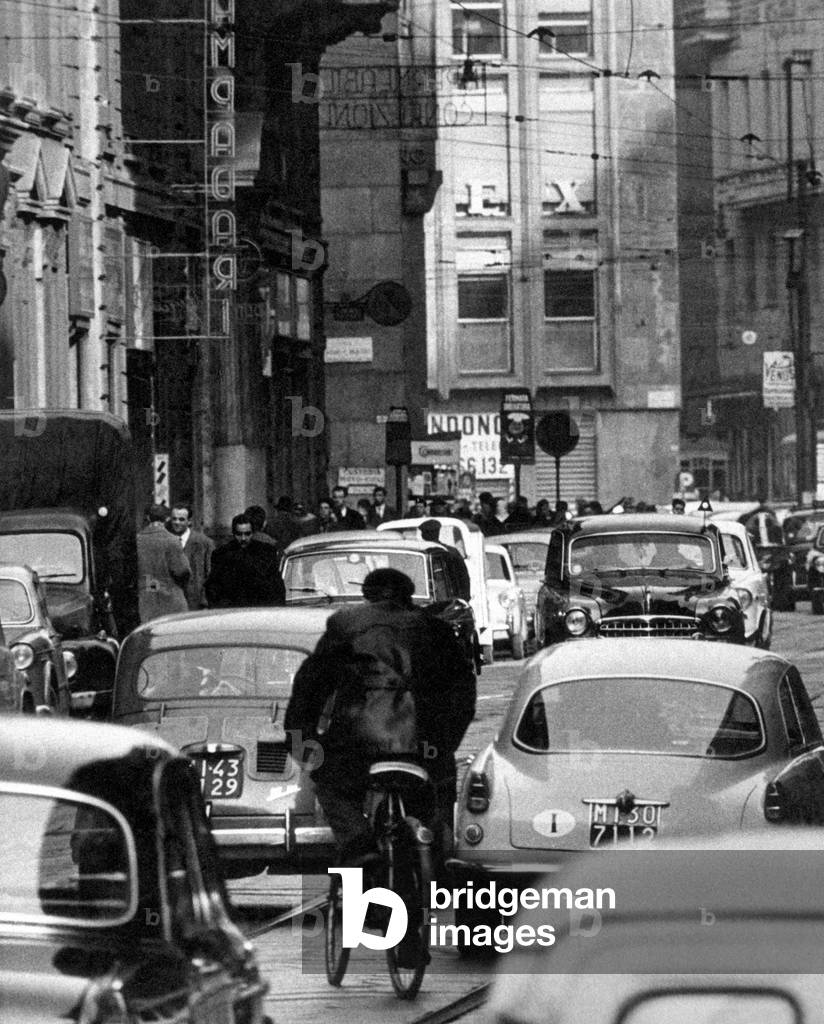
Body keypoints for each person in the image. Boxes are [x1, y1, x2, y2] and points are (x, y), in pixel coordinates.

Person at [284, 568, 476, 869]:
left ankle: (359, 845)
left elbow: (309, 688)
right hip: (423, 747)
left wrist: (304, 739)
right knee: (437, 804)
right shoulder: (435, 629)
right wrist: (445, 741)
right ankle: (433, 866)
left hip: (356, 744)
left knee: (331, 787)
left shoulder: (345, 626)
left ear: (367, 595)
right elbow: (463, 693)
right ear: (408, 596)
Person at [205, 513, 286, 607]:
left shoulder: (266, 552)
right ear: (233, 533)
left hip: (260, 610)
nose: (243, 538)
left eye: (247, 534)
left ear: (253, 533)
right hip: (231, 611)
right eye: (239, 534)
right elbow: (213, 586)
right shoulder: (221, 554)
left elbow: (276, 586)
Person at [137, 504, 190, 622]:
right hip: (171, 602)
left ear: (147, 518)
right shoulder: (172, 540)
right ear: (167, 519)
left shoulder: (137, 540)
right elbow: (182, 571)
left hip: (146, 601)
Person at [168, 503, 214, 610]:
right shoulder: (166, 541)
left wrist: (205, 602)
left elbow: (210, 575)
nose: (177, 523)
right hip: (172, 603)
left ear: (189, 521)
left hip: (195, 604)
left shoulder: (204, 543)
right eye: (174, 519)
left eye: (181, 519)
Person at [419, 519, 471, 601]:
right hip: (448, 598)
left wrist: (463, 599)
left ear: (423, 535)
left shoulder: (421, 552)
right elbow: (463, 577)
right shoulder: (450, 551)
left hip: (445, 598)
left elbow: (462, 576)